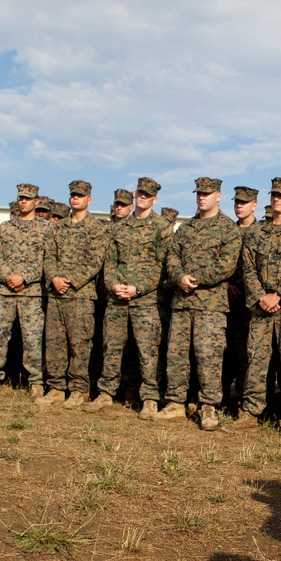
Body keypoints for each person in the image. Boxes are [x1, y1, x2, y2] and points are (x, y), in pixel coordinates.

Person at [224, 178, 281, 441]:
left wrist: (280, 295)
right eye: (274, 194)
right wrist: (261, 297)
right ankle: (250, 413)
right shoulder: (256, 232)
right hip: (261, 309)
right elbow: (248, 269)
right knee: (256, 361)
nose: (276, 199)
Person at [86, 177, 172, 416]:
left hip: (146, 301)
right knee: (111, 347)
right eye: (140, 193)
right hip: (118, 300)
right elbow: (110, 261)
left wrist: (139, 288)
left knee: (148, 351)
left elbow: (163, 267)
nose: (143, 198)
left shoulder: (162, 228)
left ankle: (150, 398)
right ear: (135, 195)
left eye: (148, 195)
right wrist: (113, 284)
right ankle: (106, 392)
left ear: (155, 199)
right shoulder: (119, 228)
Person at [160, 177, 241, 428]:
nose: (201, 197)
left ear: (218, 196)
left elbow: (227, 264)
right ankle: (174, 402)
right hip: (182, 302)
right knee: (177, 355)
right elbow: (172, 256)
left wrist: (196, 278)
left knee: (209, 357)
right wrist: (179, 277)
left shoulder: (228, 228)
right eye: (198, 193)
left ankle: (208, 408)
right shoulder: (186, 228)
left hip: (211, 305)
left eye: (207, 193)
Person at [39, 180, 110, 408]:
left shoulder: (96, 229)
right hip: (57, 294)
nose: (75, 199)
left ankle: (78, 389)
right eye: (73, 195)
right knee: (55, 342)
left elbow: (95, 261)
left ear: (89, 199)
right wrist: (53, 278)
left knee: (79, 344)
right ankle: (56, 387)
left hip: (81, 295)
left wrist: (71, 281)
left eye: (80, 195)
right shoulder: (58, 228)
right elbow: (49, 256)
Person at [0, 183, 51, 399]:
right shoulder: (4, 228)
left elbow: (45, 260)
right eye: (21, 198)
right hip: (5, 291)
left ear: (36, 201)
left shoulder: (46, 229)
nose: (24, 201)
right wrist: (8, 276)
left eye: (28, 198)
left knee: (32, 339)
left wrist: (24, 277)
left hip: (31, 292)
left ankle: (35, 381)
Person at [225, 185, 259, 409]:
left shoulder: (261, 231)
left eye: (244, 203)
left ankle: (243, 397)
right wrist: (226, 285)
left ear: (254, 205)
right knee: (226, 351)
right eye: (237, 202)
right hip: (227, 298)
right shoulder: (228, 230)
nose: (239, 206)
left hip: (251, 302)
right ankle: (224, 395)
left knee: (247, 353)